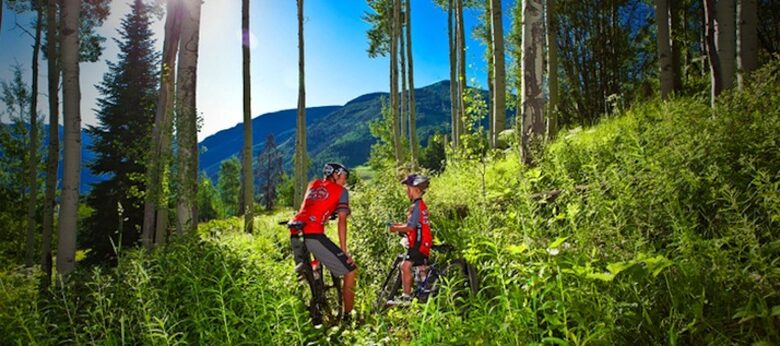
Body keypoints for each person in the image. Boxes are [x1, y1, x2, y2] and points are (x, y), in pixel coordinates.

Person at [289, 162, 357, 323]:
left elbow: (312, 206)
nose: (345, 181)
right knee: (351, 271)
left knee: (307, 271)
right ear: (336, 175)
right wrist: (344, 250)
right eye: (344, 177)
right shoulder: (341, 191)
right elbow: (342, 221)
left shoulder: (312, 184)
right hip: (313, 234)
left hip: (295, 231)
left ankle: (309, 294)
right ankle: (348, 317)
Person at [387, 173, 432, 305]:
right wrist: (397, 227)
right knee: (421, 268)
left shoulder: (416, 206)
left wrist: (394, 228)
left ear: (417, 190)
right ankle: (427, 294)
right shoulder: (420, 205)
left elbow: (410, 227)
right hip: (423, 241)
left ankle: (406, 297)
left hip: (418, 243)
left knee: (405, 266)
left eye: (409, 189)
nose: (407, 192)